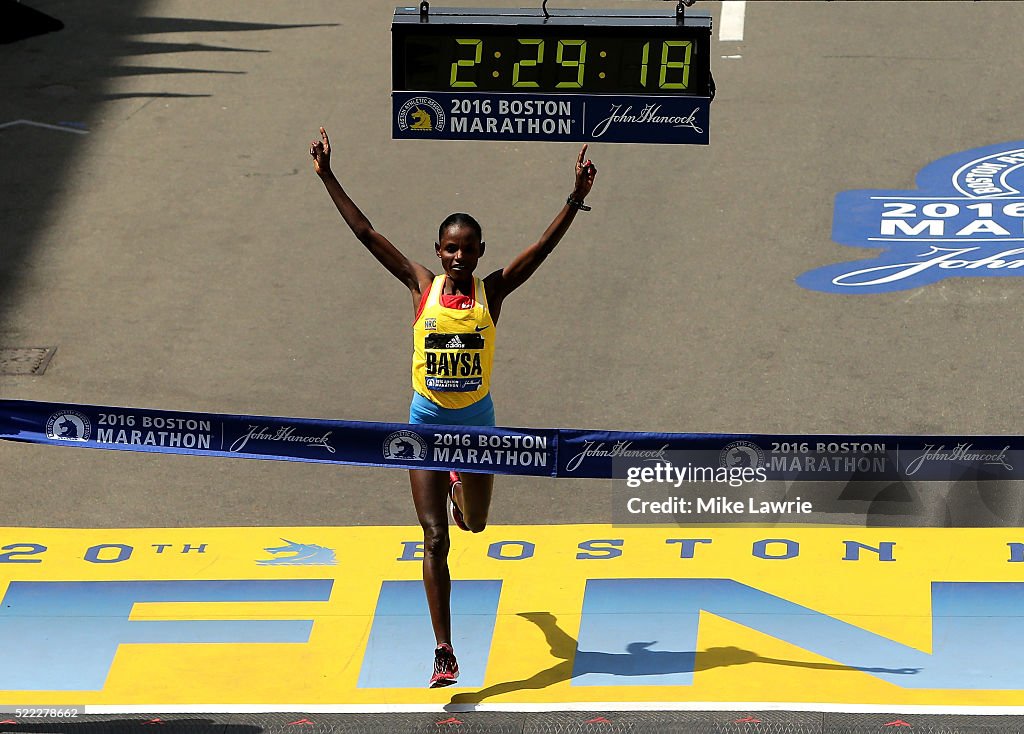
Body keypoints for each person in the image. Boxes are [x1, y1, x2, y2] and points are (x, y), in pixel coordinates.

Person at [310, 126, 596, 687]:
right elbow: (367, 233)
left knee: (477, 525)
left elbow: (540, 249)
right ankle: (444, 649)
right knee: (433, 538)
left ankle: (467, 499)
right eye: (450, 248)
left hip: (478, 429)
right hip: (424, 428)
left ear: (481, 252)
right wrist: (327, 176)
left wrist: (574, 198)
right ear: (438, 252)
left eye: (468, 249)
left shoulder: (494, 290)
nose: (459, 256)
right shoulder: (422, 286)